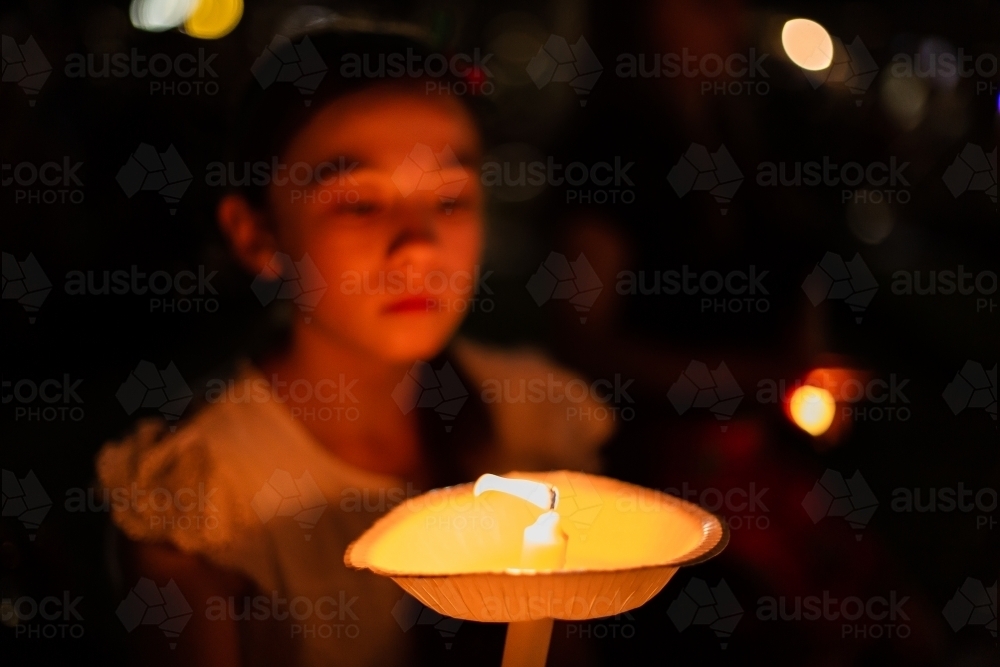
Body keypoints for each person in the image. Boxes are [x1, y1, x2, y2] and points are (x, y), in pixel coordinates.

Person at [96, 29, 612, 667]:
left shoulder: (533, 418)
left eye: (450, 199)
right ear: (256, 234)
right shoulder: (205, 498)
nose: (418, 245)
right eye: (361, 203)